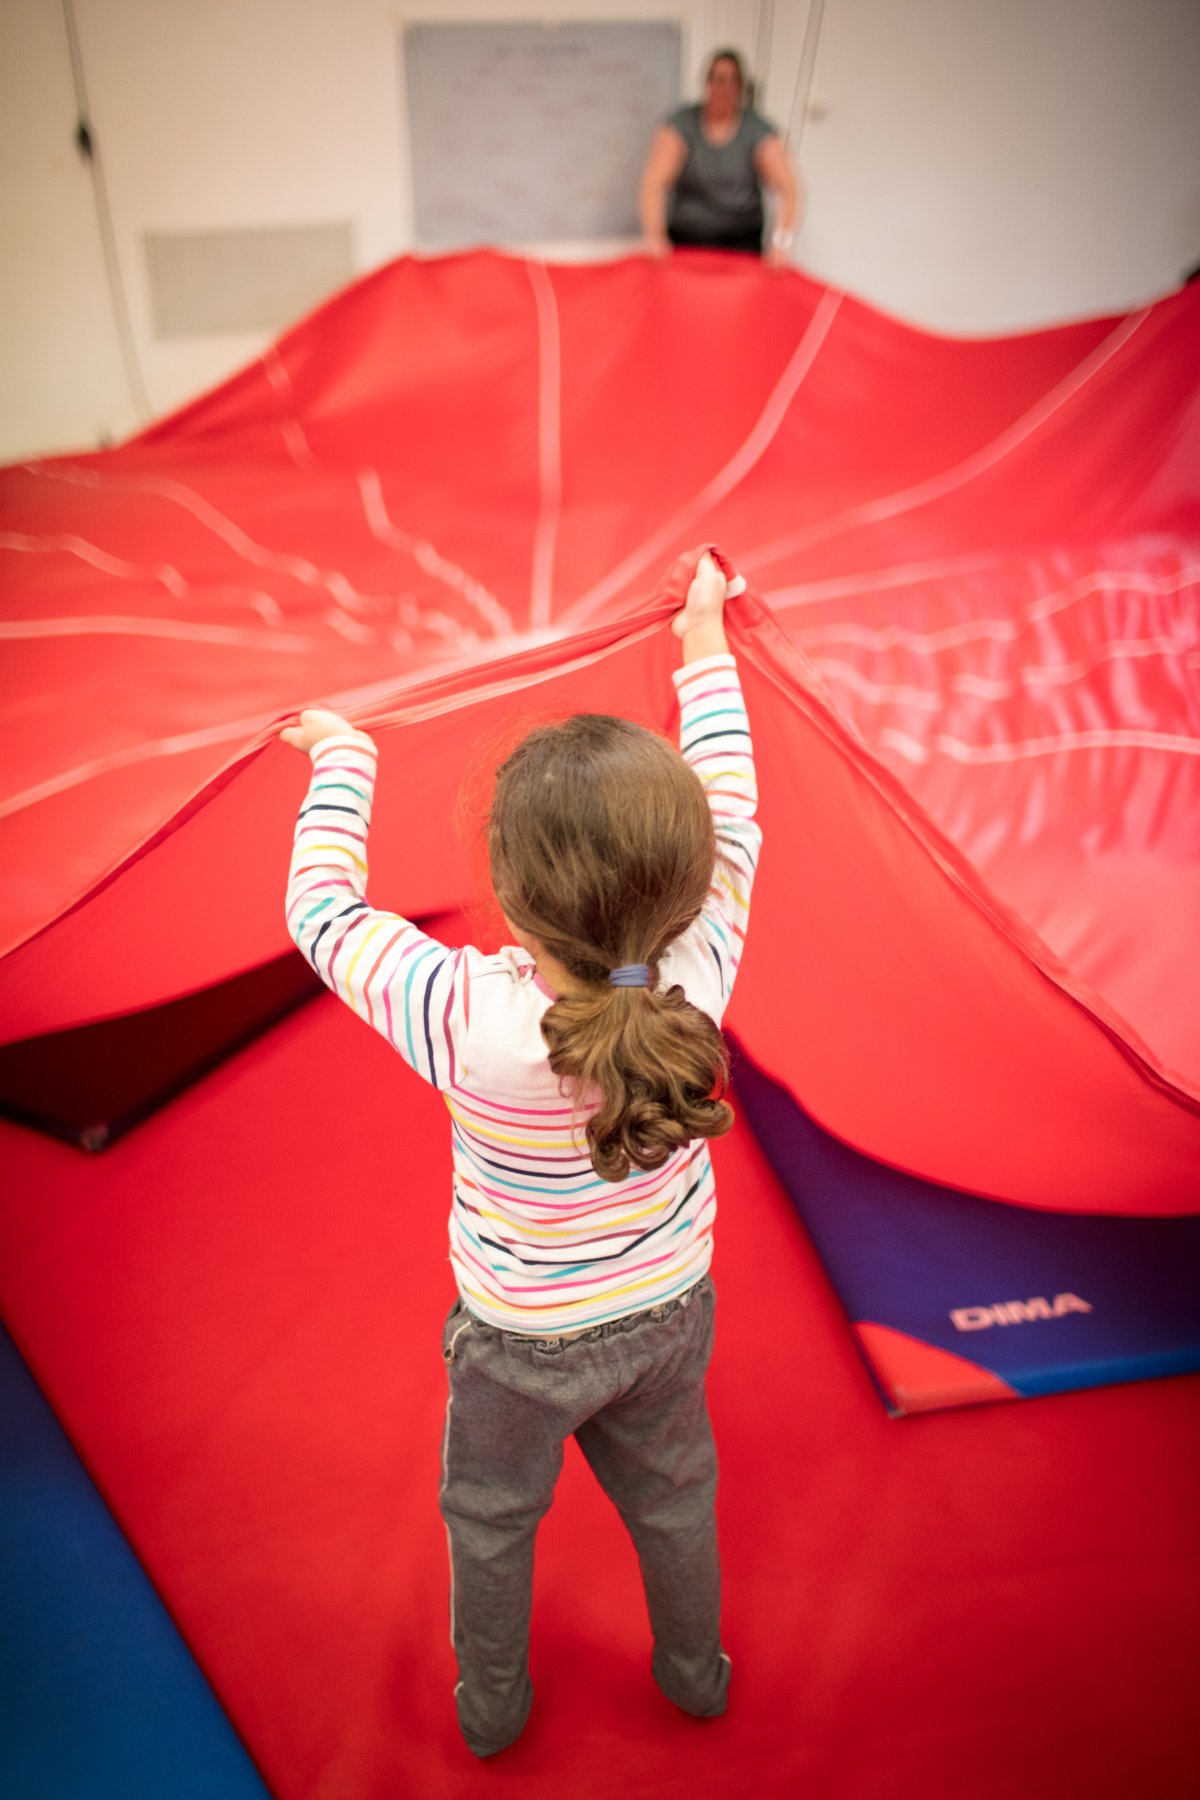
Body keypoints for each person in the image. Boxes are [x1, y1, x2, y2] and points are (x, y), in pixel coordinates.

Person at [280, 549, 760, 1758]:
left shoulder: (459, 1014)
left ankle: (492, 1704)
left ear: (507, 892)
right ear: (691, 879)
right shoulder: (702, 969)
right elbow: (736, 804)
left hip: (517, 1339)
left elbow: (322, 916)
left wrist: (346, 760)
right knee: (677, 1500)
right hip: (667, 1309)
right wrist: (704, 635)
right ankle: (695, 1673)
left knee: (489, 1521)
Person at [639, 49, 801, 264]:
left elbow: (788, 189)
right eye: (719, 80)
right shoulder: (680, 126)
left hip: (742, 242)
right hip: (689, 239)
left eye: (732, 81)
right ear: (708, 83)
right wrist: (654, 236)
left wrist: (781, 243)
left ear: (741, 87)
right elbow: (653, 184)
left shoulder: (758, 131)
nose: (725, 88)